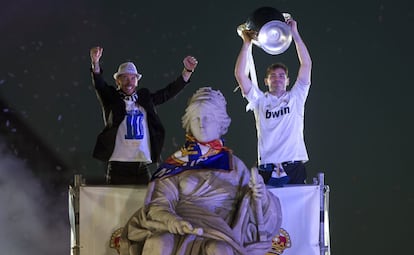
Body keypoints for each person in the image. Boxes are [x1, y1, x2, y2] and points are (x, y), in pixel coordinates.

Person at [119, 87, 282, 255]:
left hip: (219, 232)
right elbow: (158, 204)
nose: (201, 123)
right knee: (158, 241)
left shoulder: (235, 166)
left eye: (207, 118)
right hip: (180, 226)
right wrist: (171, 220)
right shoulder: (176, 163)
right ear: (188, 123)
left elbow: (255, 212)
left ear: (220, 123)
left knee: (219, 249)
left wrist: (261, 198)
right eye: (196, 118)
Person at [89, 46, 198, 185]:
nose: (129, 82)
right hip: (118, 166)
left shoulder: (145, 99)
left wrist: (187, 71)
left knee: (146, 204)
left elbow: (167, 93)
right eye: (125, 78)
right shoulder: (112, 99)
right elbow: (99, 85)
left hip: (141, 166)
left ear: (137, 80)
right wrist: (95, 62)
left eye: (133, 78)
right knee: (116, 205)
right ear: (118, 81)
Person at [234, 16, 312, 186]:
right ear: (266, 81)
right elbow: (240, 75)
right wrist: (247, 43)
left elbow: (306, 65)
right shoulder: (259, 101)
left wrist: (295, 34)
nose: (278, 79)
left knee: (297, 211)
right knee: (264, 212)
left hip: (293, 166)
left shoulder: (296, 97)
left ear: (288, 81)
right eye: (273, 76)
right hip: (266, 168)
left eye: (282, 76)